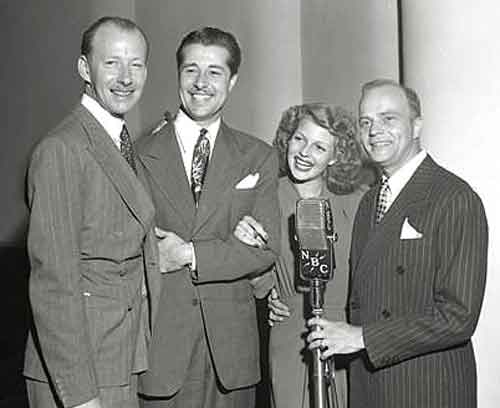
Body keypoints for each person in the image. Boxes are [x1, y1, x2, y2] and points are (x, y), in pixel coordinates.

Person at [306, 79, 488, 408]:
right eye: (366, 122)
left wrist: (362, 338)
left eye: (389, 118)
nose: (375, 130)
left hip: (427, 388)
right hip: (371, 387)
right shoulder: (369, 202)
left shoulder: (455, 197)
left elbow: (459, 316)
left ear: (416, 125)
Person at [137, 27, 281, 408]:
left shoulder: (258, 157)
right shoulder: (138, 155)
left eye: (215, 72)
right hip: (161, 353)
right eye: (191, 70)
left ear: (232, 81)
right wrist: (227, 246)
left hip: (231, 358)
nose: (201, 83)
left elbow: (265, 251)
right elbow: (132, 245)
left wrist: (188, 254)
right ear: (178, 75)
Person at [24, 17, 161, 408]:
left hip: (118, 358)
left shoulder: (116, 140)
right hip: (80, 375)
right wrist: (81, 396)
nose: (125, 77)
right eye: (111, 63)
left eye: (136, 64)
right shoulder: (62, 149)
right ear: (85, 68)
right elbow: (54, 284)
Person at [234, 103, 365, 408]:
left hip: (344, 333)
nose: (305, 152)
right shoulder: (261, 197)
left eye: (320, 146)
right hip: (290, 334)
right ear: (286, 140)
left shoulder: (356, 203)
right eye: (299, 139)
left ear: (335, 156)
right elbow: (247, 269)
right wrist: (264, 293)